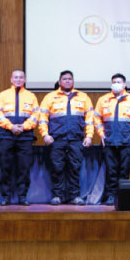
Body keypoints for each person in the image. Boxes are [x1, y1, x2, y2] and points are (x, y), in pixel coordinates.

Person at [38, 70, 93, 205]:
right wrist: (45, 134)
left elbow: (90, 119)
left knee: (75, 168)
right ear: (60, 81)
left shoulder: (83, 97)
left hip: (76, 139)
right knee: (57, 168)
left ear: (73, 81)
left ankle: (75, 196)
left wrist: (89, 136)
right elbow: (42, 119)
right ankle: (57, 196)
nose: (67, 81)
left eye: (70, 79)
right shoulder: (50, 97)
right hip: (57, 140)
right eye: (65, 79)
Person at [94, 73, 130, 206]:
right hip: (109, 141)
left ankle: (122, 197)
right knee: (111, 171)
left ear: (124, 84)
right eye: (114, 81)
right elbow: (97, 118)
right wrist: (101, 133)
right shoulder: (103, 100)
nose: (116, 84)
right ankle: (110, 196)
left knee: (124, 171)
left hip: (126, 141)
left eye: (119, 82)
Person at [0, 69, 39, 206]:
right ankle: (5, 197)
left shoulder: (31, 96)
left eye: (21, 77)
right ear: (11, 79)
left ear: (24, 80)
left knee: (24, 168)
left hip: (25, 137)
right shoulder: (3, 95)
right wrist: (10, 126)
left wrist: (23, 127)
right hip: (7, 136)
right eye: (16, 77)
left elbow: (36, 115)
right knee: (5, 167)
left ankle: (22, 196)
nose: (18, 79)